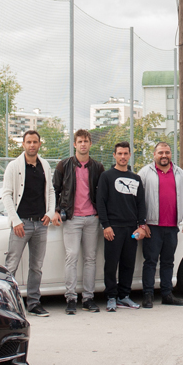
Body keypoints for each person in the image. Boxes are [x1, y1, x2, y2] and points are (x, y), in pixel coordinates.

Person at [1, 130, 59, 317]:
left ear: (39, 144)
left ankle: (34, 303)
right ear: (23, 144)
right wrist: (15, 220)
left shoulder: (44, 165)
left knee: (36, 266)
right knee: (11, 265)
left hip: (40, 224)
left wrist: (50, 213)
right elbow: (7, 195)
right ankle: (5, 304)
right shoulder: (14, 166)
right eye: (28, 142)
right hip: (21, 224)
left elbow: (50, 191)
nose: (32, 145)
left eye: (35, 142)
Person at [54, 129, 104, 314]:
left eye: (86, 141)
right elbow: (55, 190)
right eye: (80, 141)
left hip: (92, 218)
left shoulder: (97, 167)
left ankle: (89, 298)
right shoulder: (64, 165)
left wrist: (101, 212)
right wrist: (57, 210)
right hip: (72, 219)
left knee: (90, 258)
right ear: (74, 144)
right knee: (72, 256)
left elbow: (102, 192)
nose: (83, 144)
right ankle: (71, 298)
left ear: (90, 144)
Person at [138, 141, 183, 307]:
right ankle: (147, 295)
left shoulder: (179, 173)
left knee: (168, 262)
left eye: (167, 152)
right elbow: (138, 200)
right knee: (150, 262)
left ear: (171, 154)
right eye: (160, 153)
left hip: (171, 226)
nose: (164, 156)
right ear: (154, 155)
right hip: (152, 227)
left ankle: (167, 294)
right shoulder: (145, 173)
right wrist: (142, 223)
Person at [96, 141, 145, 312]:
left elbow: (141, 204)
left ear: (130, 155)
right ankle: (111, 297)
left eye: (126, 153)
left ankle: (124, 296)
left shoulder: (136, 179)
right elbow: (100, 202)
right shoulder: (106, 176)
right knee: (111, 264)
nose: (123, 157)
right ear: (114, 155)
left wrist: (142, 226)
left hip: (131, 230)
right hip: (113, 229)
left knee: (128, 264)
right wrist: (106, 226)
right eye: (120, 154)